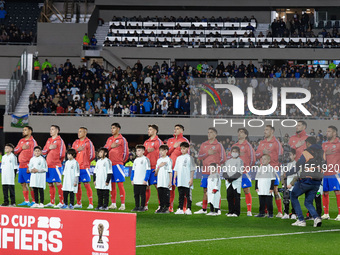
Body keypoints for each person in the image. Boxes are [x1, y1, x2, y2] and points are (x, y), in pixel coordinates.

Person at [289, 137, 323, 227]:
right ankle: (316, 218)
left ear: (308, 143)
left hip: (306, 180)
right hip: (317, 181)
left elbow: (297, 167)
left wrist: (287, 173)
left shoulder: (306, 153)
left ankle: (301, 220)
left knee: (293, 195)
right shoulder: (322, 153)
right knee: (308, 202)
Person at [196, 127, 226, 214]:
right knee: (205, 190)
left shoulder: (219, 145)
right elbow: (199, 157)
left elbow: (223, 158)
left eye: (211, 132)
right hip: (205, 171)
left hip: (215, 172)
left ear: (215, 134)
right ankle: (204, 209)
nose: (209, 134)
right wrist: (207, 153)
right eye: (208, 132)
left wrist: (215, 166)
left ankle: (217, 208)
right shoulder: (203, 144)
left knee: (215, 190)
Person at [256, 125, 283, 218]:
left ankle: (280, 211)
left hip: (273, 168)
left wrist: (277, 168)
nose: (265, 131)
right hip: (263, 169)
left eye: (267, 130)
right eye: (264, 130)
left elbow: (281, 156)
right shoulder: (262, 142)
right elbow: (256, 155)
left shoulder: (276, 143)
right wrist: (262, 152)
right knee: (263, 189)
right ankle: (264, 212)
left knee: (274, 190)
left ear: (272, 131)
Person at [229, 128, 256, 216]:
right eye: (239, 132)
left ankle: (249, 210)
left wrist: (247, 168)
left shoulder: (248, 146)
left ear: (245, 135)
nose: (239, 134)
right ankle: (233, 210)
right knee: (234, 191)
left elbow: (253, 159)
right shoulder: (234, 145)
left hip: (244, 172)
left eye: (241, 132)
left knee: (246, 190)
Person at [104, 123, 129, 210]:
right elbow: (104, 150)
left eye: (114, 128)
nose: (112, 130)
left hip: (118, 164)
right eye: (111, 128)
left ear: (118, 129)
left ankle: (122, 204)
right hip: (110, 165)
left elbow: (126, 153)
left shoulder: (122, 139)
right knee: (112, 185)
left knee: (120, 184)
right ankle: (113, 203)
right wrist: (111, 146)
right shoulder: (109, 139)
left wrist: (121, 161)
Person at [167, 124, 190, 212]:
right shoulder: (170, 140)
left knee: (182, 189)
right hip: (171, 168)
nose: (175, 130)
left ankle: (183, 207)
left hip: (181, 169)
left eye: (177, 129)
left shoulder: (185, 140)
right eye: (175, 128)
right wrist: (174, 146)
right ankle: (170, 206)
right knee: (171, 188)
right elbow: (167, 152)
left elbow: (187, 154)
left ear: (182, 131)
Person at [42, 125, 66, 208]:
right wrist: (49, 148)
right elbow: (44, 151)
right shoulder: (48, 140)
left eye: (52, 129)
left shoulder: (60, 141)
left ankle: (62, 202)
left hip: (56, 165)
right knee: (50, 183)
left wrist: (58, 162)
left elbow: (62, 154)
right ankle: (52, 202)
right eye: (50, 129)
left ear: (57, 131)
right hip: (48, 165)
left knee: (58, 183)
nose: (50, 131)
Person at [72, 127, 95, 209]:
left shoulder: (88, 142)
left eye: (81, 132)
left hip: (84, 167)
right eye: (78, 131)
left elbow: (92, 155)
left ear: (85, 133)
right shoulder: (75, 142)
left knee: (86, 185)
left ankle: (91, 203)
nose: (79, 133)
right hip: (76, 168)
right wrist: (77, 150)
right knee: (77, 185)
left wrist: (86, 162)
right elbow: (71, 153)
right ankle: (79, 203)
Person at [14, 126, 37, 206]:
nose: (23, 131)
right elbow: (15, 151)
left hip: (28, 165)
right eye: (23, 130)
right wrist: (21, 147)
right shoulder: (21, 141)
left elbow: (35, 155)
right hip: (21, 165)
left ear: (30, 131)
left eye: (25, 130)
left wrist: (30, 166)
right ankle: (26, 201)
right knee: (23, 183)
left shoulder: (32, 141)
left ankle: (34, 201)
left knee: (31, 184)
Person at [321, 126, 340, 221]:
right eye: (326, 131)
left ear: (334, 133)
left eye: (329, 131)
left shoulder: (339, 144)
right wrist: (325, 152)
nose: (327, 133)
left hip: (336, 172)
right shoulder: (324, 145)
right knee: (325, 192)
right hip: (326, 172)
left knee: (338, 191)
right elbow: (320, 157)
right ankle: (326, 213)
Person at [143, 124, 163, 210]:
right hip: (147, 167)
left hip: (155, 167)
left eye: (150, 129)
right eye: (148, 129)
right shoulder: (146, 142)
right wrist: (147, 151)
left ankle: (160, 205)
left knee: (158, 186)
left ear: (155, 131)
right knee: (147, 186)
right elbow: (142, 154)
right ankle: (145, 205)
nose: (148, 131)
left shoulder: (159, 141)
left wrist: (158, 167)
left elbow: (162, 154)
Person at [174, 142, 195, 215]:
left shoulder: (190, 158)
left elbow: (192, 169)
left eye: (184, 148)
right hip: (180, 180)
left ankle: (189, 208)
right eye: (181, 149)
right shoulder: (178, 158)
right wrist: (174, 178)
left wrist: (191, 178)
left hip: (187, 179)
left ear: (187, 149)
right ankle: (180, 208)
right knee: (180, 195)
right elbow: (176, 169)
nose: (182, 150)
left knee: (188, 195)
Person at [224, 146, 243, 217]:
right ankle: (230, 211)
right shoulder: (228, 161)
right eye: (233, 151)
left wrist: (231, 179)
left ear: (239, 153)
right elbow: (224, 171)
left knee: (236, 197)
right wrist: (227, 178)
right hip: (228, 182)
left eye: (236, 152)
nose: (234, 153)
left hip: (236, 181)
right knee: (229, 196)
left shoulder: (240, 161)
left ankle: (236, 212)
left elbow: (239, 172)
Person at [131, 145, 151, 212]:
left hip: (142, 181)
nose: (137, 152)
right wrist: (132, 179)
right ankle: (137, 206)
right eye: (136, 151)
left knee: (142, 195)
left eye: (139, 150)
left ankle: (142, 207)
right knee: (136, 194)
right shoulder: (136, 160)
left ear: (143, 151)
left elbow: (148, 170)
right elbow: (133, 170)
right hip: (136, 181)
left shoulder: (146, 159)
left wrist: (146, 179)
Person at [155, 144, 172, 214]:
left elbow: (170, 171)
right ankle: (161, 207)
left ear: (166, 151)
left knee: (166, 195)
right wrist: (159, 166)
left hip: (166, 181)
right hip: (160, 181)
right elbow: (155, 173)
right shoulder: (159, 160)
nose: (161, 152)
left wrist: (170, 181)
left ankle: (167, 208)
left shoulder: (168, 160)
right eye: (160, 151)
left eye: (162, 150)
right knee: (160, 195)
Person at [281, 149, 297, 219]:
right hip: (286, 183)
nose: (288, 156)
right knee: (285, 199)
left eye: (290, 155)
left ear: (294, 155)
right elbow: (282, 175)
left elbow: (297, 176)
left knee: (294, 199)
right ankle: (286, 213)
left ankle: (294, 213)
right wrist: (283, 184)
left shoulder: (296, 164)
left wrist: (291, 184)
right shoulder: (284, 164)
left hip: (293, 184)